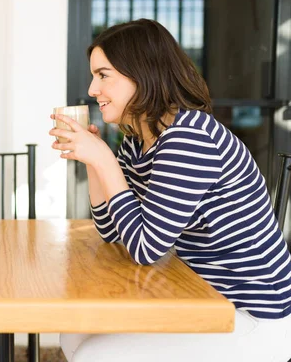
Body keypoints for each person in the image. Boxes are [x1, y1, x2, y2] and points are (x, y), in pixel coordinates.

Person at [50, 19, 291, 362]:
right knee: (74, 333)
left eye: (103, 75)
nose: (92, 89)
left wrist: (104, 161)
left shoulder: (189, 138)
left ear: (142, 74)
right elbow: (112, 232)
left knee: (95, 355)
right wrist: (93, 159)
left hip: (252, 316)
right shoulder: (137, 140)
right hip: (201, 297)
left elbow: (146, 249)